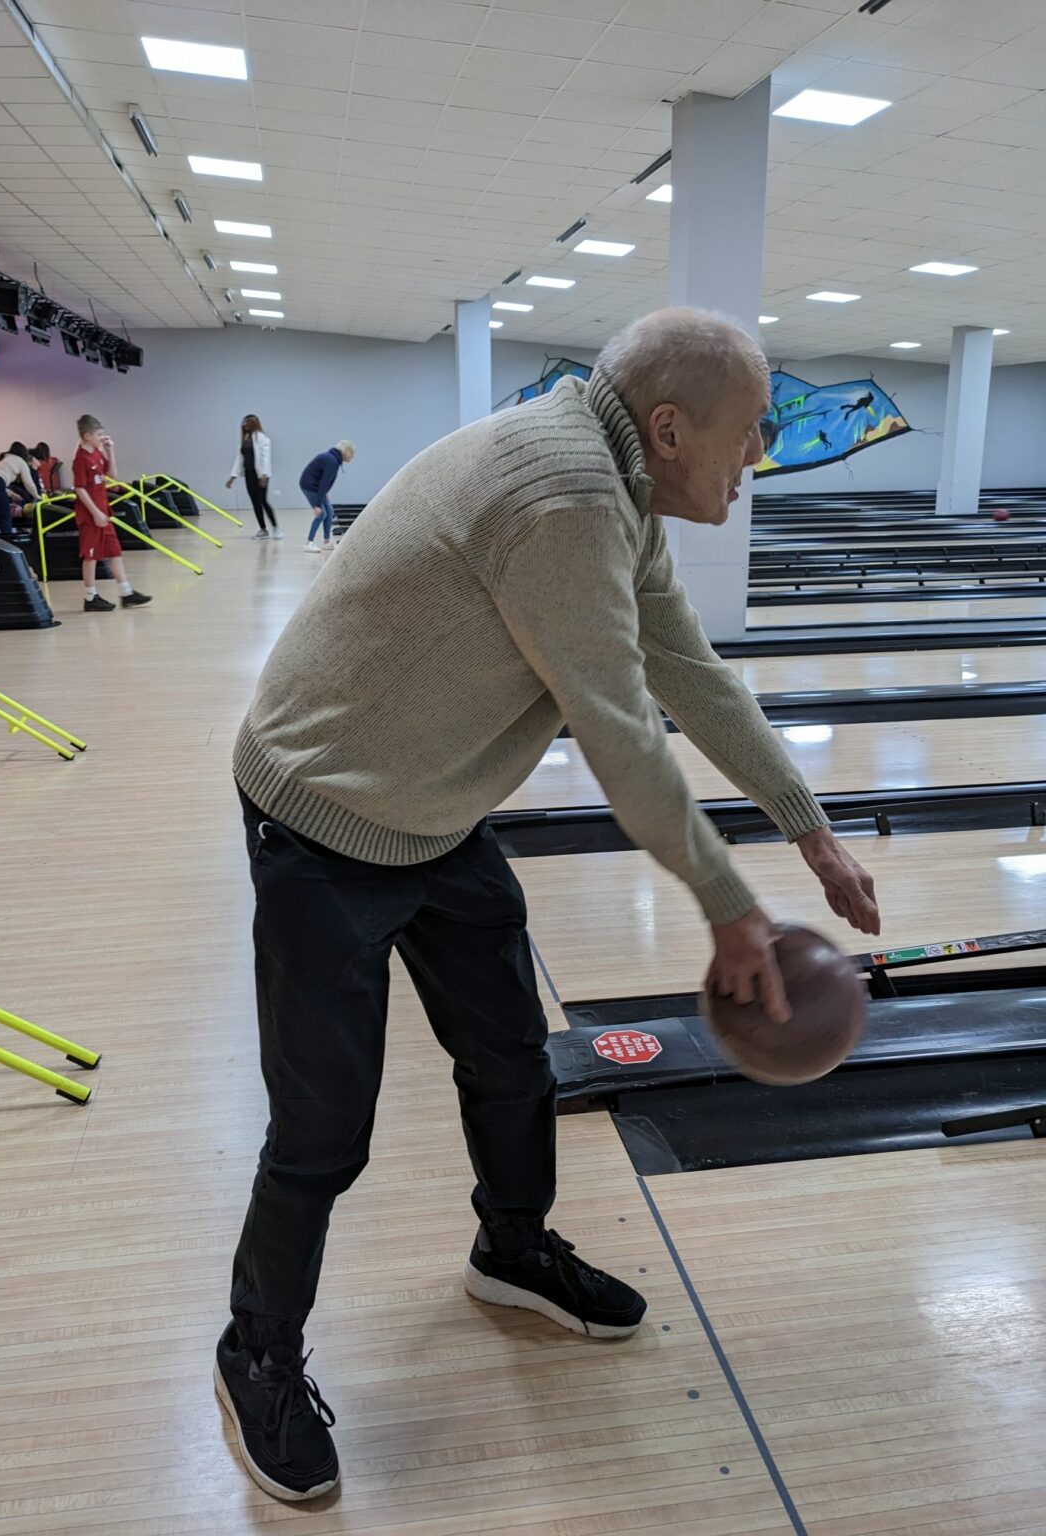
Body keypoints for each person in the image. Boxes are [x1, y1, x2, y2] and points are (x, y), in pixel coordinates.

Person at [219, 308, 881, 1503]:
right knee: (323, 1132)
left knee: (514, 1057)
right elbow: (620, 728)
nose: (760, 452)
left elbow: (689, 672)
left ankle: (511, 1248)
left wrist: (810, 828)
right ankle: (254, 1350)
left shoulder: (618, 488)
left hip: (436, 813)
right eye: (750, 430)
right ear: (668, 428)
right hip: (322, 819)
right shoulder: (564, 496)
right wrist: (729, 905)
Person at [73, 414, 151, 613]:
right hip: (91, 516)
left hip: (104, 512)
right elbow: (79, 488)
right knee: (90, 556)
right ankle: (90, 597)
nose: (103, 437)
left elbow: (112, 475)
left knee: (115, 551)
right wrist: (95, 513)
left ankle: (126, 593)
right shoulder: (81, 459)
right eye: (99, 434)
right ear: (87, 435)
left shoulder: (97, 453)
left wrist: (110, 450)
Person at [227, 415, 280, 540]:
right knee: (255, 502)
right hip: (249, 474)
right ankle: (263, 529)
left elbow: (265, 458)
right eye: (244, 423)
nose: (245, 425)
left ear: (254, 423)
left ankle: (276, 528)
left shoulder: (262, 438)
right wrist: (233, 477)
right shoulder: (245, 438)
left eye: (247, 423)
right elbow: (240, 458)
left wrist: (264, 476)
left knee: (263, 501)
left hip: (260, 475)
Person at [299, 440, 354, 552]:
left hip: (316, 486)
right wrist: (316, 505)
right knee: (321, 514)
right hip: (309, 486)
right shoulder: (332, 461)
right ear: (345, 451)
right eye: (351, 453)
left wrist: (325, 493)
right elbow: (324, 482)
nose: (352, 456)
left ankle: (327, 542)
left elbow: (324, 480)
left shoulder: (333, 459)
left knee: (330, 511)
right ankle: (309, 543)